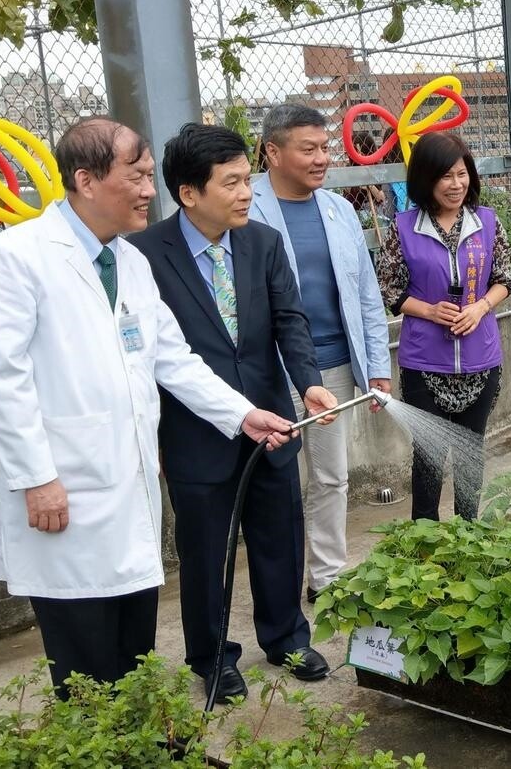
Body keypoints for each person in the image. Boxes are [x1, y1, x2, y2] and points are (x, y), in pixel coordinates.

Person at [0, 117, 295, 697]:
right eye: (137, 176)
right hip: (63, 490)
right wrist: (37, 479)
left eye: (149, 176)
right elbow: (2, 382)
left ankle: (135, 741)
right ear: (87, 181)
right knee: (85, 656)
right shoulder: (15, 260)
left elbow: (175, 359)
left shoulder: (131, 264)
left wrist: (242, 414)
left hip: (128, 489)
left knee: (134, 647)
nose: (150, 189)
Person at [127, 124, 337, 702]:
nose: (247, 192)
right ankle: (214, 657)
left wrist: (309, 385)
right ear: (189, 193)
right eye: (233, 183)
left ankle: (287, 637)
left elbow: (291, 323)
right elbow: (146, 355)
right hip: (195, 434)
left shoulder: (263, 244)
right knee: (206, 553)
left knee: (279, 537)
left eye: (247, 180)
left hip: (271, 421)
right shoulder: (143, 256)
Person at [249, 104, 393, 603]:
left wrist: (378, 369)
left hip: (333, 366)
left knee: (332, 477)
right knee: (278, 484)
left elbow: (367, 296)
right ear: (272, 151)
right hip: (271, 370)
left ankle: (326, 578)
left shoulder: (339, 210)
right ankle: (280, 588)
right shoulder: (244, 208)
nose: (321, 159)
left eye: (325, 147)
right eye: (307, 149)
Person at [375, 132, 511, 521]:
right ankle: (427, 542)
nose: (456, 185)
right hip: (425, 364)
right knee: (429, 457)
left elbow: (505, 279)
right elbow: (391, 290)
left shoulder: (486, 222)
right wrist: (430, 311)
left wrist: (481, 307)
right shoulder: (403, 228)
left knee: (471, 450)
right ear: (425, 179)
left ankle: (471, 536)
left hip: (480, 360)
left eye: (461, 174)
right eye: (445, 177)